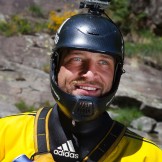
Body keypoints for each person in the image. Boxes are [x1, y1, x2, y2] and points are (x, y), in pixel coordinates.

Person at [0, 1, 162, 162]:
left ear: (116, 74)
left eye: (104, 62)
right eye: (76, 59)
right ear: (56, 67)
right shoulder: (6, 136)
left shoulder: (148, 157)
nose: (90, 74)